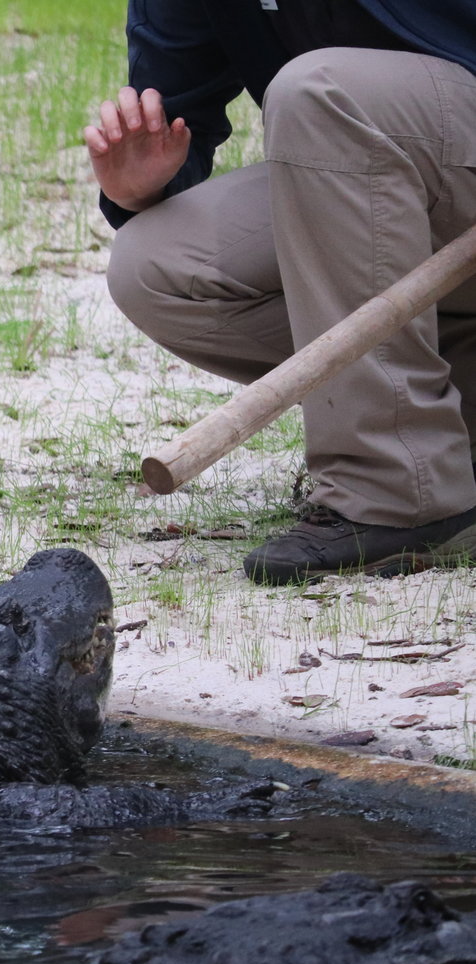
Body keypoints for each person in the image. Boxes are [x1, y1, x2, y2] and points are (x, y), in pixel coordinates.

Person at [87, 2, 476, 584]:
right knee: (156, 266)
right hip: (402, 179)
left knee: (319, 90)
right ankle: (445, 440)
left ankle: (395, 496)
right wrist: (137, 186)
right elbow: (175, 114)